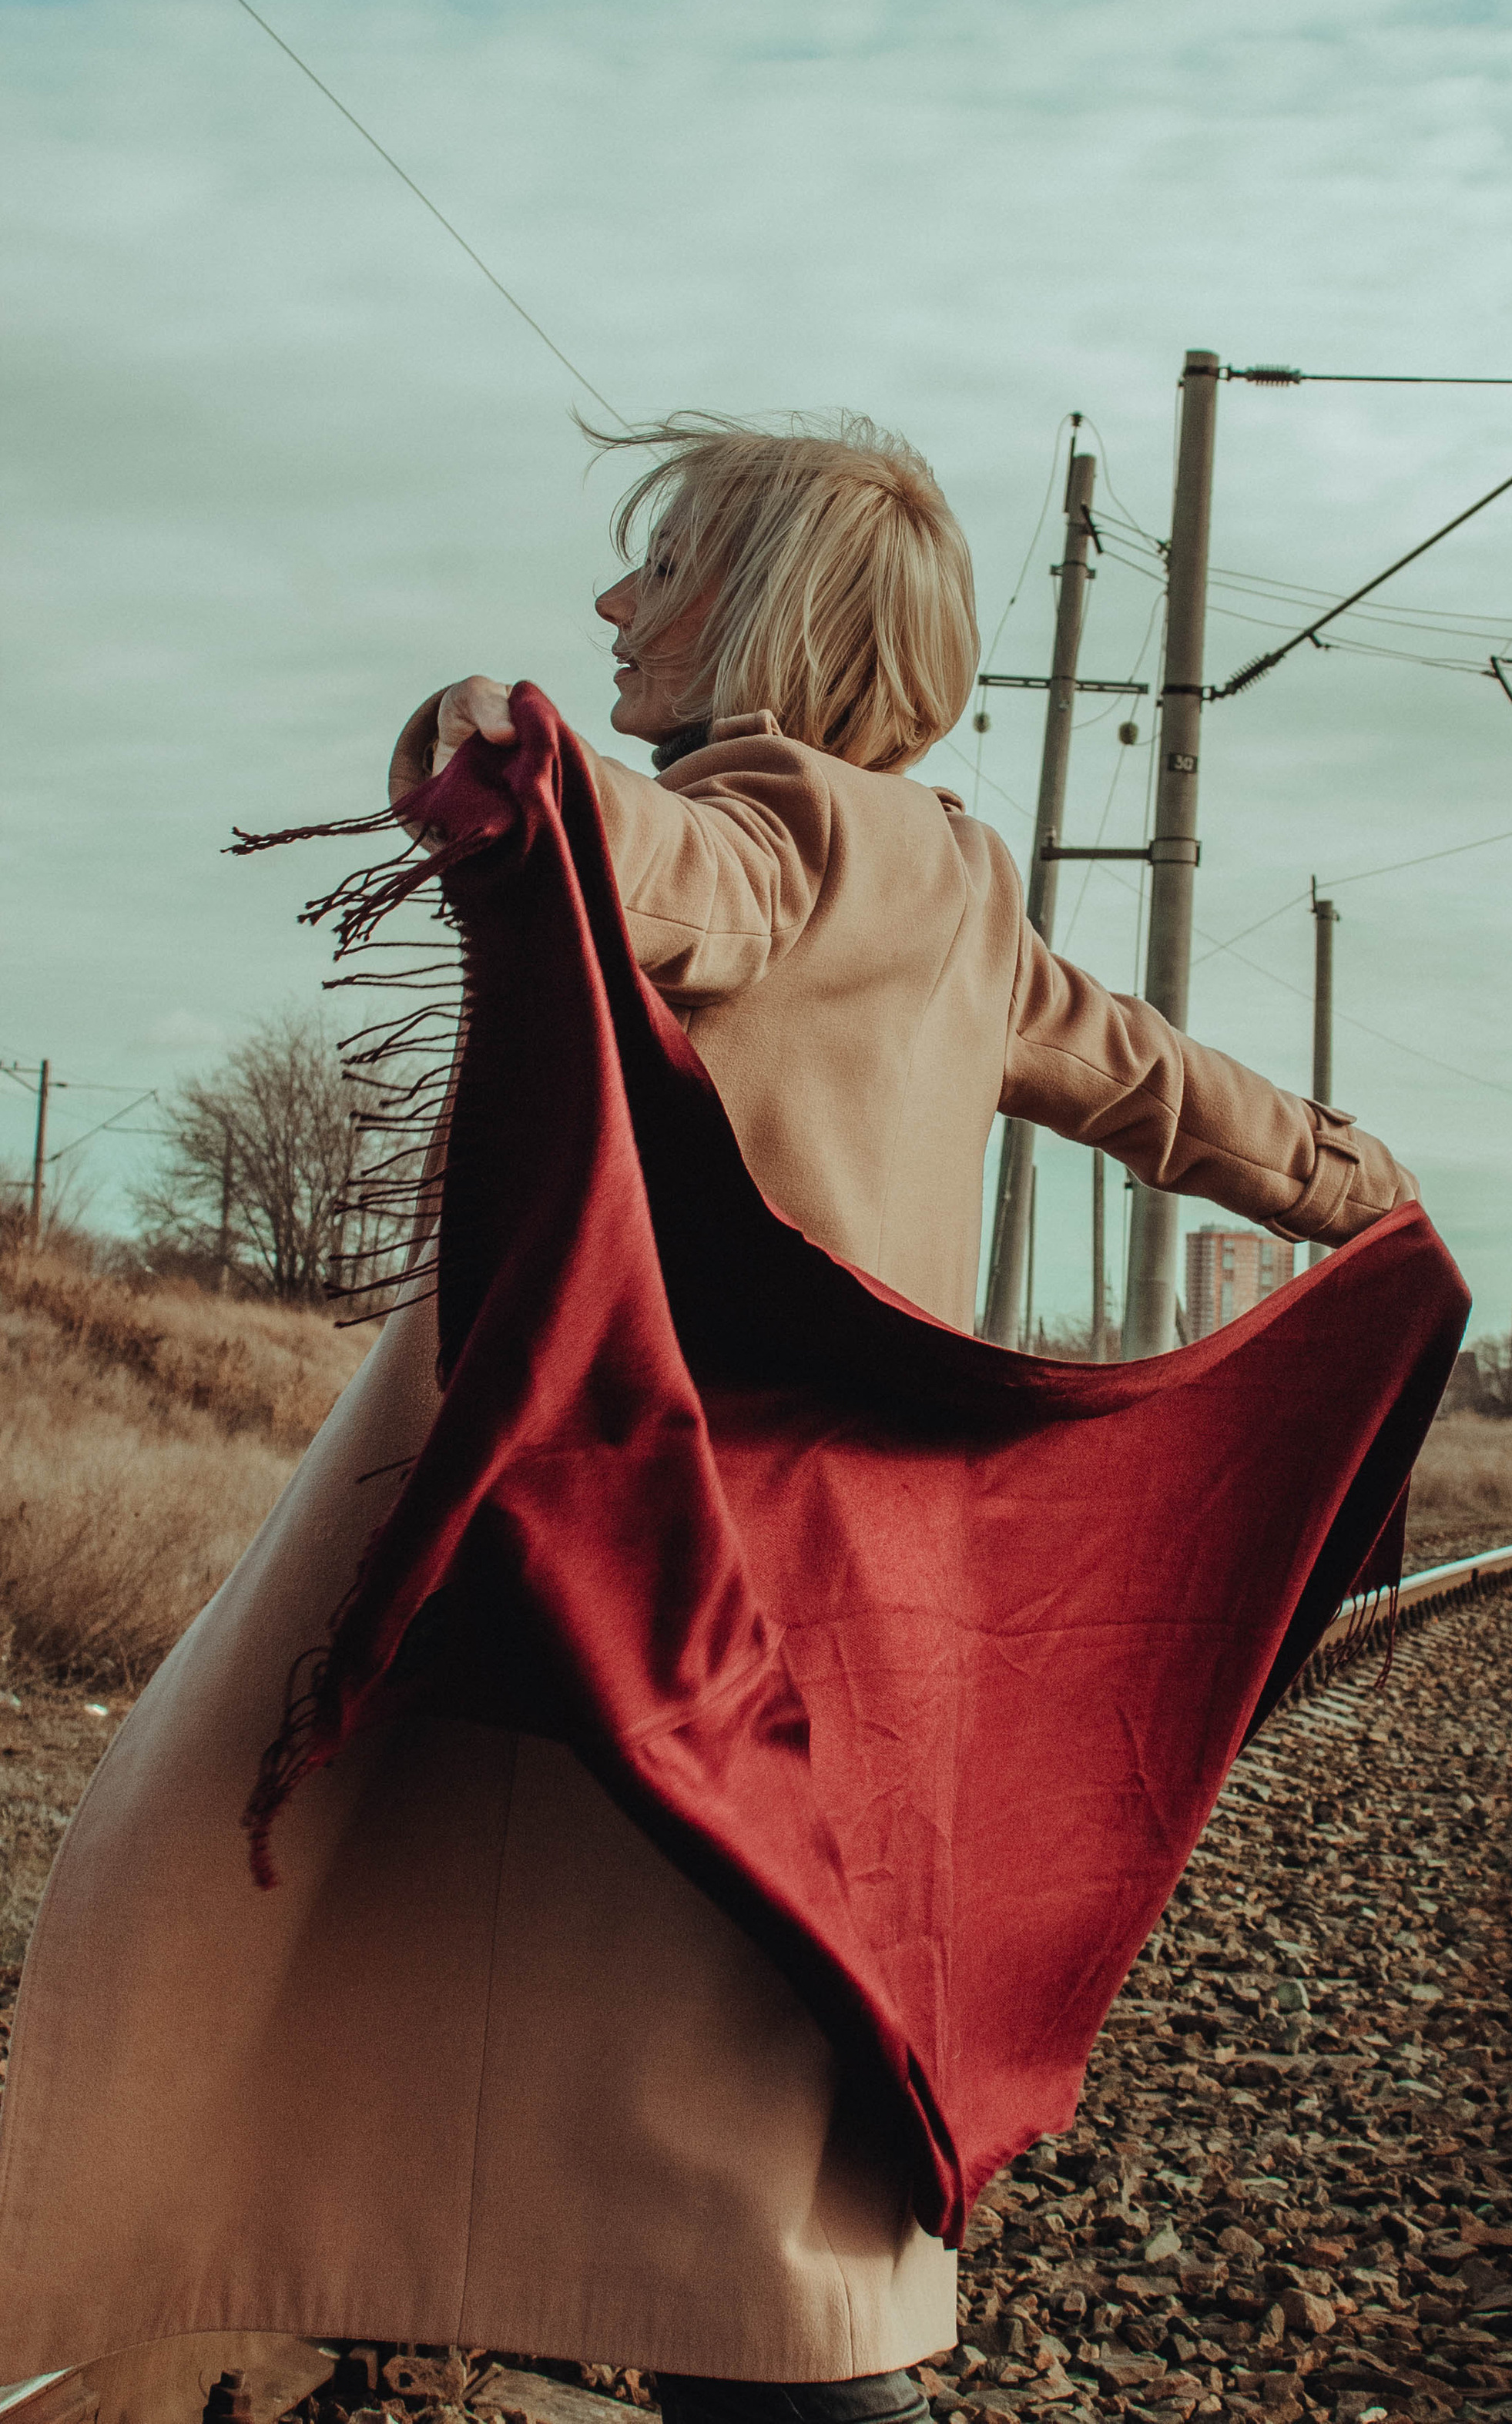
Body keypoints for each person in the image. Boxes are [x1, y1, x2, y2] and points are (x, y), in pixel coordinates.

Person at [0, 414, 1417, 2424]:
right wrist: (1364, 1186)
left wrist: (527, 765)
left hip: (651, 1538)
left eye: (658, 569)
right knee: (738, 2075)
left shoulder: (785, 828)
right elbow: (1158, 1082)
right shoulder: (959, 888)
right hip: (822, 1580)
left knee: (212, 1858)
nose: (613, 602)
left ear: (767, 617)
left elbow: (681, 876)